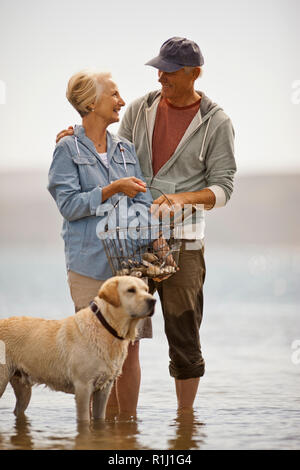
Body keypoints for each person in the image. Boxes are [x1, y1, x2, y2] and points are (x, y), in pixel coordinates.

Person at [56, 36, 237, 411]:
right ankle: (121, 433)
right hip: (133, 241)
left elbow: (224, 187)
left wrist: (184, 199)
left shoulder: (216, 122)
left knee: (183, 330)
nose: (161, 78)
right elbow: (108, 148)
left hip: (183, 243)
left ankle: (184, 425)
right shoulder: (141, 109)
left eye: (170, 71)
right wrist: (72, 134)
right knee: (121, 336)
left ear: (194, 74)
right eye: (159, 69)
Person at [48, 70, 153, 417]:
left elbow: (143, 201)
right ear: (91, 103)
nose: (121, 101)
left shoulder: (125, 148)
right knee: (93, 351)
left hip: (129, 267)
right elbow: (69, 206)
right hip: (88, 265)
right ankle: (98, 435)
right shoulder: (67, 149)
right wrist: (111, 189)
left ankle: (129, 430)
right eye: (114, 94)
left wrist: (153, 240)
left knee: (129, 350)